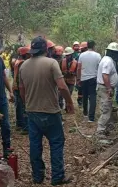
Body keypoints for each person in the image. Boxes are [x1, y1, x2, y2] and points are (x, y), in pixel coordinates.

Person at [19, 36, 74, 186]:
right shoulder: (51, 63)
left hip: (32, 112)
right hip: (50, 111)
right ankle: (57, 177)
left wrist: (27, 104)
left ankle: (37, 176)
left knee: (35, 144)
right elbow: (62, 87)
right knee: (56, 143)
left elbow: (22, 89)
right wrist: (69, 103)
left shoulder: (23, 66)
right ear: (46, 49)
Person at [96, 42, 118, 137]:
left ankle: (107, 127)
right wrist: (109, 88)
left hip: (104, 87)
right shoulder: (108, 61)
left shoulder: (107, 59)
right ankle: (100, 131)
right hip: (105, 88)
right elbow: (105, 75)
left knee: (107, 108)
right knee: (106, 110)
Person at [77, 40, 101, 122]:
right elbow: (99, 68)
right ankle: (91, 117)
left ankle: (85, 114)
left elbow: (79, 68)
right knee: (93, 96)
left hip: (84, 79)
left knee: (85, 96)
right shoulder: (98, 55)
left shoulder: (82, 55)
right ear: (94, 46)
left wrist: (78, 78)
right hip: (93, 79)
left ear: (87, 46)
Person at [13, 46, 31, 134]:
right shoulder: (23, 63)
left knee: (19, 106)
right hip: (20, 87)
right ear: (26, 54)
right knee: (24, 107)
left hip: (16, 87)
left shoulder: (17, 61)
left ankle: (19, 124)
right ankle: (25, 127)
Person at [60, 47, 78, 111]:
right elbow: (59, 70)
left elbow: (77, 72)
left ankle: (68, 108)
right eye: (66, 55)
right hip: (64, 80)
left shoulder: (75, 62)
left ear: (71, 55)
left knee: (69, 94)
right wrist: (63, 72)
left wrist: (73, 73)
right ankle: (61, 106)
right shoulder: (62, 61)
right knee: (62, 94)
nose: (67, 57)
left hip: (71, 81)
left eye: (68, 55)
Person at [75, 41, 88, 107]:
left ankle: (82, 101)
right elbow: (77, 66)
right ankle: (80, 101)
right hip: (82, 74)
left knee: (84, 89)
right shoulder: (79, 56)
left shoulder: (82, 55)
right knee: (81, 89)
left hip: (85, 75)